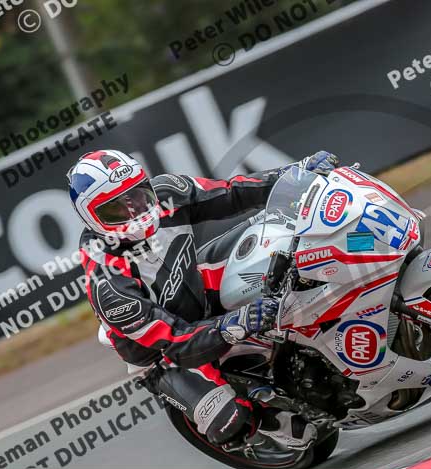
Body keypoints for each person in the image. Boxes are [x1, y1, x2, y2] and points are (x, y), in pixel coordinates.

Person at [67, 148, 339, 450]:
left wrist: (296, 174)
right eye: (115, 211)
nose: (134, 215)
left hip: (198, 283)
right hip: (165, 354)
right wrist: (232, 325)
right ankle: (266, 417)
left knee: (280, 239)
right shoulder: (108, 285)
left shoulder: (168, 194)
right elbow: (174, 339)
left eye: (139, 197)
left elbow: (232, 193)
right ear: (90, 219)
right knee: (228, 420)